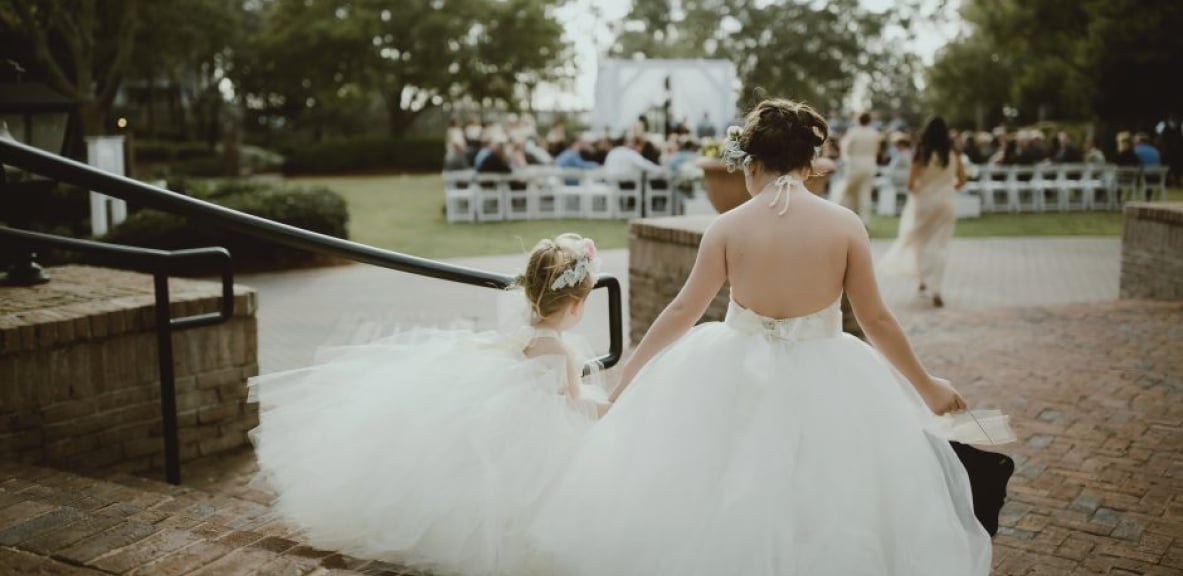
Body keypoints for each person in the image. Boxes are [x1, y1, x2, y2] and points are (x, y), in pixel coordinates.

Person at [530, 99, 1008, 576]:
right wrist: (927, 386)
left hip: (734, 373)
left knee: (726, 486)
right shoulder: (845, 225)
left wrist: (623, 387)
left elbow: (681, 312)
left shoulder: (727, 226)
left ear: (750, 163)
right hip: (830, 374)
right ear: (810, 163)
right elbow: (877, 320)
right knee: (828, 490)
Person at [250, 235, 609, 576]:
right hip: (539, 439)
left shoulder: (523, 335)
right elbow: (573, 406)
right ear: (576, 306)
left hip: (514, 424)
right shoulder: (561, 352)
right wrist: (606, 409)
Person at [880, 116, 967, 309]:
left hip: (924, 202)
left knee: (920, 242)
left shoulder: (922, 152)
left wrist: (922, 188)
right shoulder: (953, 153)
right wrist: (947, 186)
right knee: (940, 245)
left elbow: (911, 184)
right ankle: (936, 288)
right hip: (945, 201)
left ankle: (922, 281)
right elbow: (962, 180)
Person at [837, 111, 881, 225]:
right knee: (865, 194)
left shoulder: (853, 132)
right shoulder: (874, 133)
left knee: (847, 193)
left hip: (854, 165)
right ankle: (864, 222)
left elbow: (845, 149)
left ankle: (841, 218)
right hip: (870, 165)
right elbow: (877, 150)